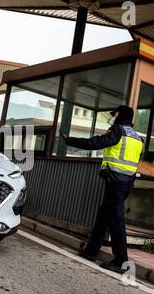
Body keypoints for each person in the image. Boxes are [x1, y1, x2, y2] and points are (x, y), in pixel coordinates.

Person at [60, 105, 143, 274]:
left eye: (114, 114)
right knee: (104, 215)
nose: (112, 116)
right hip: (126, 182)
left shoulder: (119, 131)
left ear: (121, 115)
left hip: (116, 182)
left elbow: (95, 143)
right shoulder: (137, 137)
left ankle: (121, 261)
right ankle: (91, 251)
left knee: (116, 221)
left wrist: (70, 140)